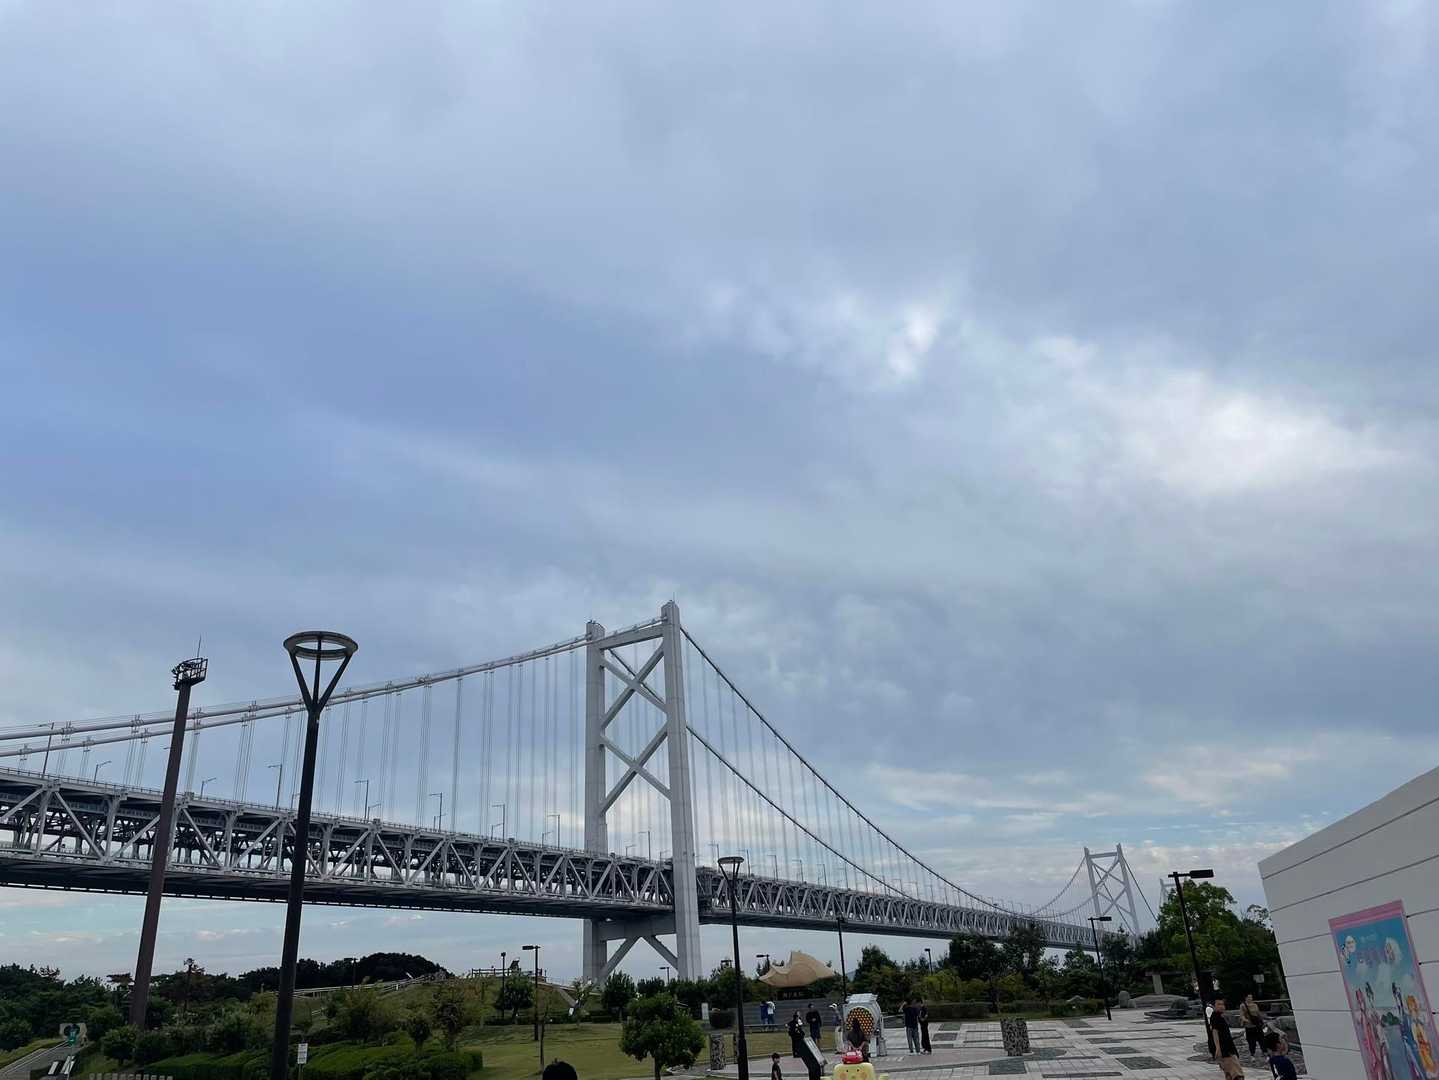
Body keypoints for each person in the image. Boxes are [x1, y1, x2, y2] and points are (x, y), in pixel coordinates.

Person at [1210, 999, 1244, 1079]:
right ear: (1214, 1006)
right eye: (1219, 1004)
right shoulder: (1215, 1017)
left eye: (1222, 1004)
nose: (1222, 1006)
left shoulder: (1219, 1016)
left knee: (1229, 1073)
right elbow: (1215, 1032)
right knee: (1237, 1073)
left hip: (1227, 1046)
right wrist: (1218, 1048)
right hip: (1225, 1049)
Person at [1239, 994, 1265, 1059]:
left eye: (1251, 997)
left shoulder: (1255, 1005)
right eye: (1249, 997)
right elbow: (1242, 1015)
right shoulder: (1243, 1005)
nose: (1250, 998)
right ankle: (1252, 1054)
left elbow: (1258, 1014)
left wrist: (1262, 1021)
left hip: (1257, 1025)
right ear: (1246, 998)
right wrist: (1246, 1020)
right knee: (1251, 1041)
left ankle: (1264, 1051)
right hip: (1249, 1026)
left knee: (1261, 1039)